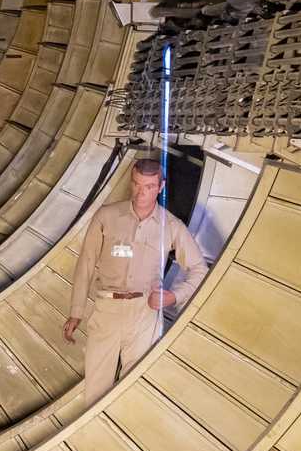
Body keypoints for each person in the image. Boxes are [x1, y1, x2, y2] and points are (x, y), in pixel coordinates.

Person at [63, 157, 207, 404]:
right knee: (95, 388)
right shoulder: (107, 216)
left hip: (144, 313)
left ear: (161, 187)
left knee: (135, 389)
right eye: (137, 184)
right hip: (106, 309)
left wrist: (173, 296)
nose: (141, 193)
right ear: (131, 182)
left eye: (149, 187)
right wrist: (76, 312)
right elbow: (85, 263)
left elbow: (199, 269)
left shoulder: (171, 226)